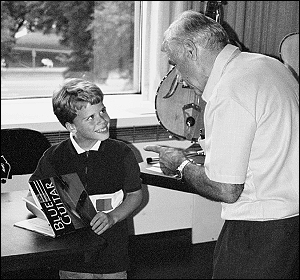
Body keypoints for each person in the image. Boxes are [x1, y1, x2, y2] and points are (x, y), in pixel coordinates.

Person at [144, 10, 299, 279]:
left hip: (258, 232)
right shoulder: (268, 65)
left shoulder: (229, 90)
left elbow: (226, 189)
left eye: (175, 63)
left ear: (191, 50)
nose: (178, 77)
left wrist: (179, 164)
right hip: (291, 224)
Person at [29, 78, 143, 279]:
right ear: (71, 126)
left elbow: (135, 195)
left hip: (112, 252)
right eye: (90, 117)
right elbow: (34, 198)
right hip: (72, 256)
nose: (102, 120)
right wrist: (52, 214)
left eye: (103, 111)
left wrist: (113, 216)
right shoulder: (54, 157)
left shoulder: (122, 153)